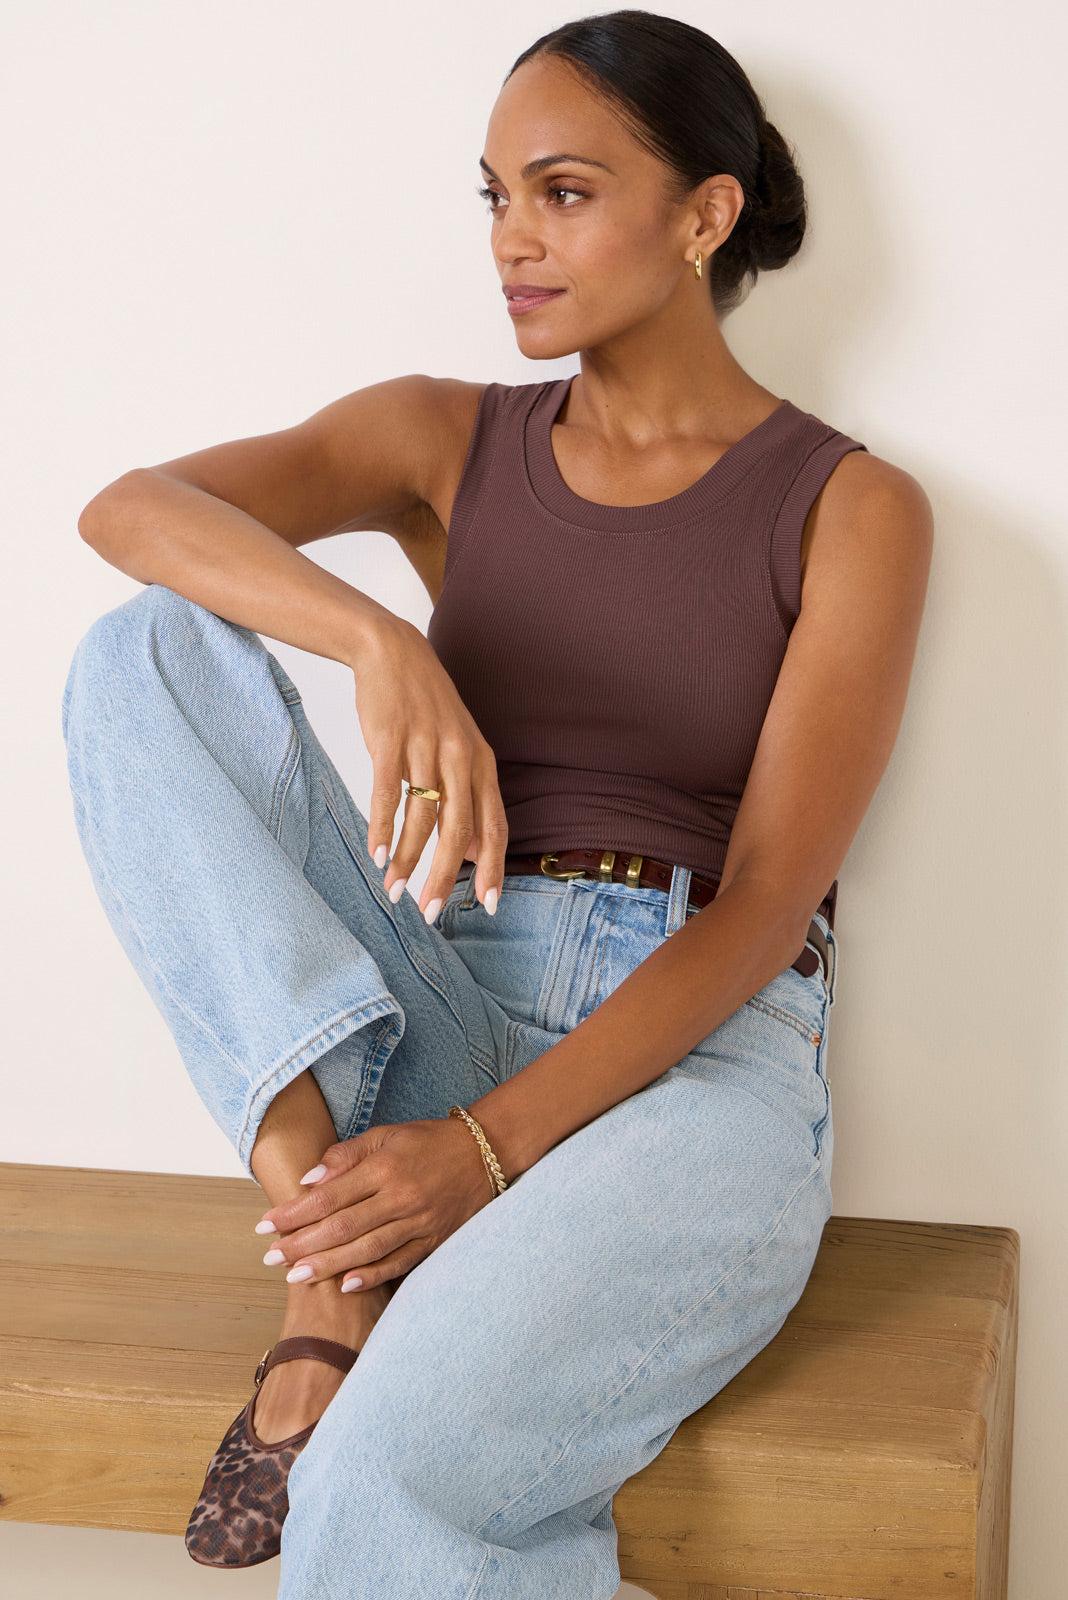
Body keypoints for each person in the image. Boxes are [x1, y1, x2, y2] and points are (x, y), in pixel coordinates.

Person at [62, 9, 933, 1598]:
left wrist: (482, 1150)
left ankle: (355, 1278)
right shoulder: (446, 438)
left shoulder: (850, 506)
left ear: (705, 214)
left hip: (700, 1071)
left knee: (383, 1481)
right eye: (496, 196)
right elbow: (131, 510)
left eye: (564, 192)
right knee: (144, 655)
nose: (512, 241)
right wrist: (376, 637)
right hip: (445, 999)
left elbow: (763, 906)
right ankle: (327, 1260)